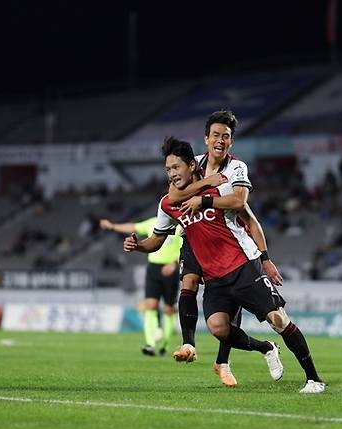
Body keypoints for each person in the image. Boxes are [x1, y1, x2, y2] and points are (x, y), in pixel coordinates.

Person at [125, 136, 325, 393]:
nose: (172, 174)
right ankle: (264, 348)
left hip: (242, 266)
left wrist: (265, 259)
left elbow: (247, 215)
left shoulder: (219, 191)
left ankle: (314, 379)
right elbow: (155, 242)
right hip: (215, 278)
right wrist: (138, 246)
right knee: (218, 328)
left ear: (192, 165)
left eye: (176, 168)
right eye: (167, 169)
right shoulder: (168, 204)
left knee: (278, 319)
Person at [165, 110, 283, 388]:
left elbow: (243, 209)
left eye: (226, 136)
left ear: (231, 141)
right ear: (206, 139)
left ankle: (224, 361)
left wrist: (265, 257)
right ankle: (188, 344)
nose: (220, 140)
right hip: (195, 238)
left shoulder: (236, 169)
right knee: (189, 282)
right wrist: (206, 184)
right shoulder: (192, 164)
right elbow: (173, 195)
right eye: (215, 135)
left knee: (230, 306)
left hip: (225, 242)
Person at [99, 217, 182, 357]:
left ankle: (164, 345)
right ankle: (150, 344)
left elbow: (183, 247)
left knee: (168, 309)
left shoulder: (179, 226)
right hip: (153, 269)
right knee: (150, 305)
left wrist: (174, 263)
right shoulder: (153, 222)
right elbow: (133, 227)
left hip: (171, 270)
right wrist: (112, 226)